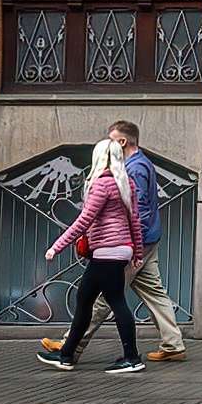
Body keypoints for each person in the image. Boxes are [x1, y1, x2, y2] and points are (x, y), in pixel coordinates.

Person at [41, 136, 148, 374]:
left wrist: (56, 247)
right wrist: (137, 252)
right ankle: (67, 354)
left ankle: (131, 357)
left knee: (113, 302)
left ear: (98, 158)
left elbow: (84, 220)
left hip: (107, 253)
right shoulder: (126, 183)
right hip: (120, 251)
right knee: (86, 300)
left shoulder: (101, 184)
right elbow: (135, 221)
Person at [109, 121, 187, 362]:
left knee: (104, 292)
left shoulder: (135, 168)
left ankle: (71, 344)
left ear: (122, 142)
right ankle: (173, 345)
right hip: (148, 239)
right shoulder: (139, 164)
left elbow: (139, 208)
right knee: (154, 292)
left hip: (140, 241)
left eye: (111, 139)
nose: (108, 144)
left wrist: (134, 245)